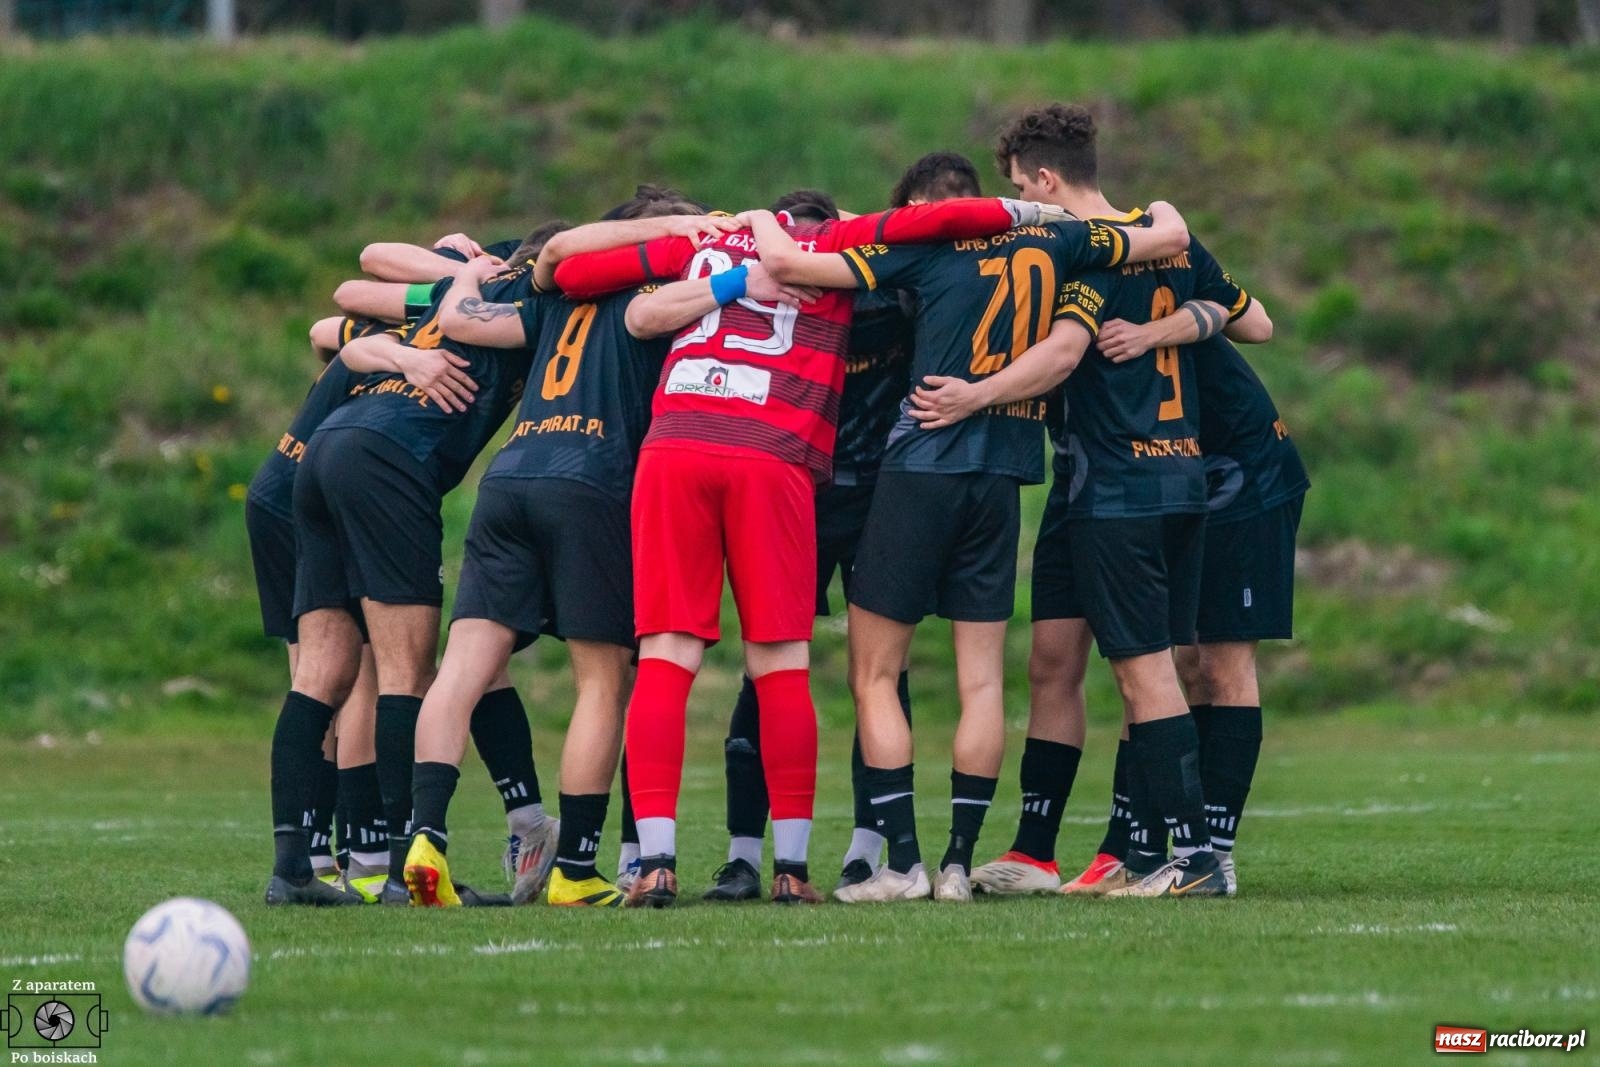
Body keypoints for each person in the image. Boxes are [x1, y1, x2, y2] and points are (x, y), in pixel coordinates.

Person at [554, 192, 1078, 907]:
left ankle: (655, 860)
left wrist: (682, 227)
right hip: (773, 455)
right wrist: (1030, 211)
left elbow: (571, 274)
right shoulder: (838, 247)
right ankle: (792, 868)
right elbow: (940, 220)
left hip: (676, 444)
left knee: (667, 656)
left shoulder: (701, 243)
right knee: (780, 663)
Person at [750, 182, 1190, 904]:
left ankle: (905, 863)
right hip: (1004, 476)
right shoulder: (1060, 241)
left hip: (922, 465)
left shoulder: (922, 245)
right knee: (981, 679)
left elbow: (793, 265)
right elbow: (1167, 234)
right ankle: (957, 864)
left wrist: (756, 216)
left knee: (875, 672)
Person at [393, 196, 768, 908]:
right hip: (594, 480)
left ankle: (426, 838)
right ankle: (575, 868)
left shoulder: (558, 295)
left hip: (510, 477)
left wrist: (469, 276)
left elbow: (460, 319)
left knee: (465, 665)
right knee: (603, 682)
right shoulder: (664, 289)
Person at [929, 102, 1265, 898]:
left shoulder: (1085, 254)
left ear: (1047, 180)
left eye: (1021, 191)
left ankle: (1189, 861)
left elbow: (1064, 353)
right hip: (1154, 481)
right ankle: (1050, 852)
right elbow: (1249, 320)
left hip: (1123, 487)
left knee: (1143, 673)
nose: (1021, 207)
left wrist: (972, 397)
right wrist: (1178, 324)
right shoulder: (1161, 231)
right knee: (1071, 662)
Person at [272, 226, 568, 908]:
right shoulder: (535, 307)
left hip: (323, 451)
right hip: (388, 458)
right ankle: (411, 863)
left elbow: (341, 305)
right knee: (406, 669)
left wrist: (453, 272)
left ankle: (292, 869)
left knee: (323, 670)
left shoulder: (457, 291)